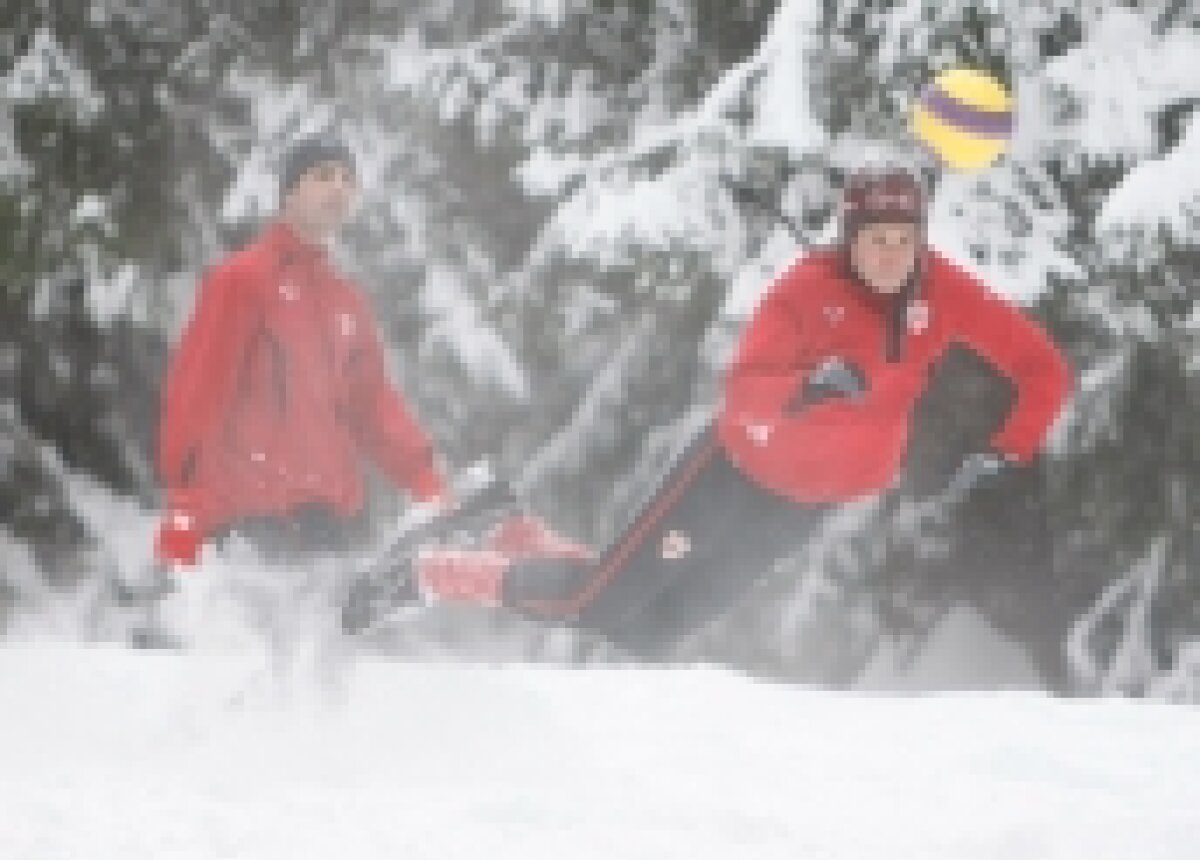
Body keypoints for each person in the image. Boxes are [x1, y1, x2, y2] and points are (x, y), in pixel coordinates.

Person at [375, 167, 1072, 660]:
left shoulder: (945, 294)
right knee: (599, 602)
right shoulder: (806, 291)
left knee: (649, 628)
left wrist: (1009, 446)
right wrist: (807, 386)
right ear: (849, 238)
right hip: (733, 473)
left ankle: (511, 530)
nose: (890, 255)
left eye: (903, 239)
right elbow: (746, 390)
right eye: (875, 239)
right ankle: (429, 574)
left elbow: (1042, 366)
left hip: (803, 508)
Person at [153, 135, 449, 668]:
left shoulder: (346, 302)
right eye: (322, 175)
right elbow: (197, 396)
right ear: (288, 192)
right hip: (249, 522)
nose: (338, 188)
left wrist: (424, 480)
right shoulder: (242, 281)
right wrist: (185, 512)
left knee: (326, 680)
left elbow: (373, 407)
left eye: (347, 179)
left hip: (324, 526)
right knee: (252, 676)